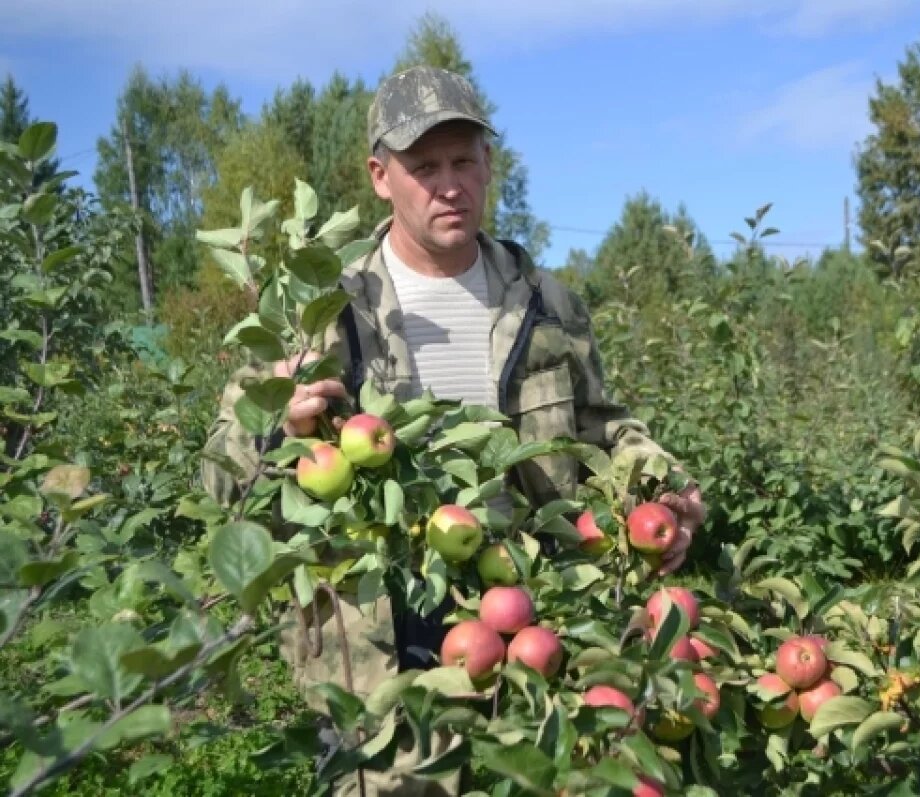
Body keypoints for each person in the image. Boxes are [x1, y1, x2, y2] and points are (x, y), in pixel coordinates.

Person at [200, 65, 705, 796]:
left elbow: (603, 428)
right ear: (380, 176)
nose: (449, 183)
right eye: (423, 165)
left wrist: (664, 483)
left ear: (488, 164)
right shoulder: (320, 312)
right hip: (379, 657)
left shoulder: (546, 303)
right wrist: (275, 424)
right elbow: (218, 482)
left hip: (533, 637)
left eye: (464, 160)